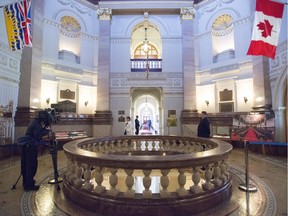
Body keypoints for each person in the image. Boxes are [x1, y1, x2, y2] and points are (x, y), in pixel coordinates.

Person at [18, 110, 55, 191]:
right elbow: (38, 135)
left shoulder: (33, 121)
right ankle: (29, 185)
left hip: (26, 146)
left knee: (26, 165)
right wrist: (47, 130)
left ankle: (26, 183)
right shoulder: (37, 124)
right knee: (31, 166)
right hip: (30, 146)